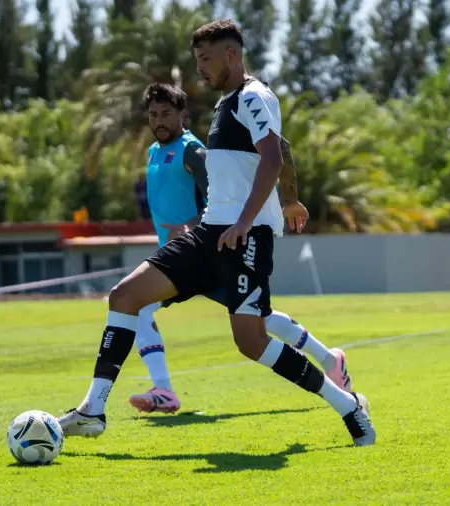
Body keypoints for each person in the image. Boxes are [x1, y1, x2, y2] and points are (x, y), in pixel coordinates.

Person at [58, 19, 375, 446]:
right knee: (125, 296)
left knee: (252, 342)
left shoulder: (253, 96)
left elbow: (271, 157)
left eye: (206, 59)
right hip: (209, 234)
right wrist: (291, 198)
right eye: (197, 60)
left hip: (245, 237)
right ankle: (92, 410)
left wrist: (246, 220)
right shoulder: (228, 103)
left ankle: (346, 405)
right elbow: (281, 148)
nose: (200, 68)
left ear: (231, 53)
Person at [127, 82, 355, 415]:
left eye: (166, 113)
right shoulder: (153, 153)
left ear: (182, 114)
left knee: (255, 320)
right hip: (183, 255)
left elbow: (216, 199)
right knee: (254, 317)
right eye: (153, 115)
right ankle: (329, 358)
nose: (159, 120)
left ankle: (164, 388)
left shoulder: (193, 152)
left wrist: (189, 229)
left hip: (209, 251)